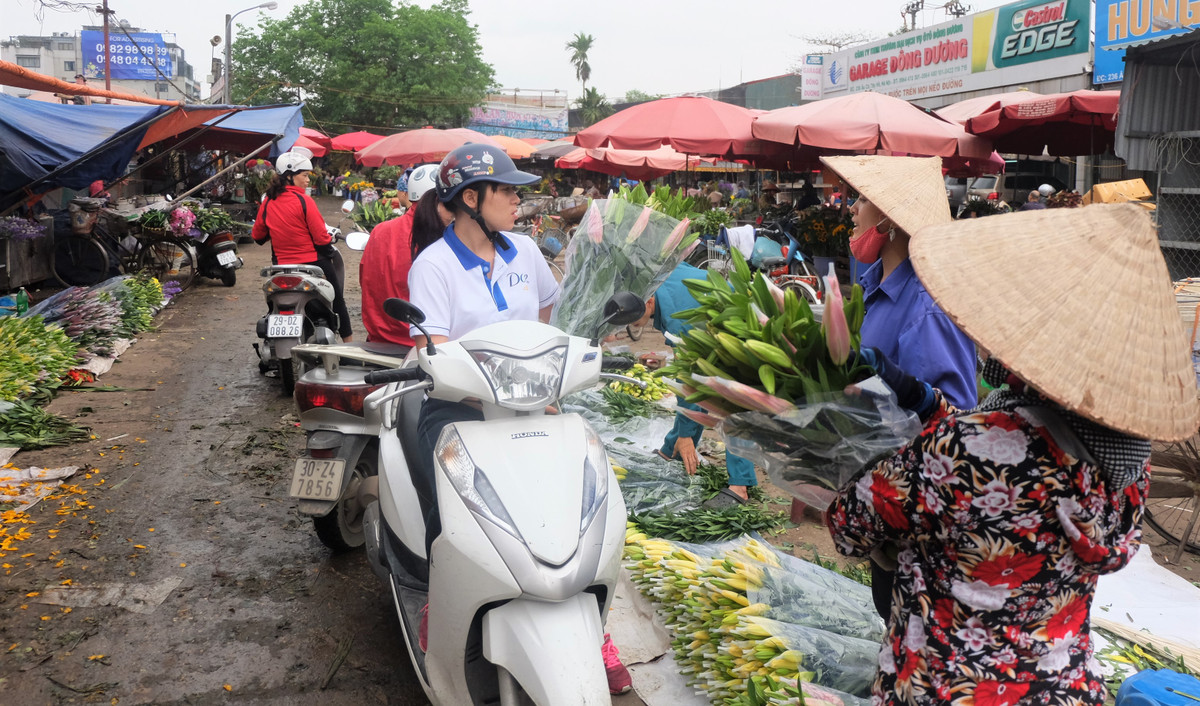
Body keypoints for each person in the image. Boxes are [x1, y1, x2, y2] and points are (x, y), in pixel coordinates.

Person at [825, 203, 1198, 706]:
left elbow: (850, 526)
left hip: (946, 689)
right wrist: (918, 395)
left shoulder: (960, 452)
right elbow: (1001, 451)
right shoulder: (1125, 461)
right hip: (1059, 688)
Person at [406, 143, 631, 693]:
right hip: (459, 411)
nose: (517, 199)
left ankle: (589, 618)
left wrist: (561, 370)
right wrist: (486, 393)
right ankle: (445, 597)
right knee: (451, 500)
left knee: (581, 498)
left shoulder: (526, 253)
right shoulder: (432, 266)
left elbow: (554, 320)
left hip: (534, 405)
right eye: (506, 190)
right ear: (469, 198)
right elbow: (432, 349)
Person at [821, 155, 978, 618]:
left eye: (862, 200)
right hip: (880, 506)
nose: (851, 209)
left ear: (888, 218)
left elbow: (955, 423)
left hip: (916, 517)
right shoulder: (874, 286)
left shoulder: (928, 307)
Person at [652, 262, 758, 500]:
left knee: (730, 401)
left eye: (632, 320)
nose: (629, 326)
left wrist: (686, 436)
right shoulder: (663, 276)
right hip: (725, 327)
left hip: (740, 336)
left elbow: (692, 385)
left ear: (648, 302)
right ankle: (671, 451)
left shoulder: (680, 319)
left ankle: (740, 486)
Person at [251, 146, 353, 341]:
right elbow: (321, 239)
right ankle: (349, 343)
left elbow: (258, 236)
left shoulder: (268, 202)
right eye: (305, 175)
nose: (308, 180)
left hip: (281, 268)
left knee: (274, 303)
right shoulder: (304, 201)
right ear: (289, 176)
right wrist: (329, 252)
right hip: (313, 264)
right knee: (338, 301)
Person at [359, 164, 440, 348]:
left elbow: (364, 280)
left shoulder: (380, 230)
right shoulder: (442, 236)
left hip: (378, 338)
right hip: (422, 344)